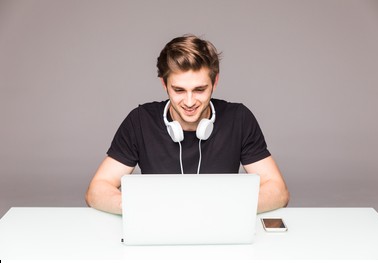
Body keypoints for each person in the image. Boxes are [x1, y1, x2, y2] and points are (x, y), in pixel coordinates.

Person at [85, 35, 289, 214]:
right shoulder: (139, 121)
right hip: (159, 226)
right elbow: (97, 190)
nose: (190, 102)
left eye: (199, 89)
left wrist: (227, 208)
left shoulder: (239, 119)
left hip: (219, 227)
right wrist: (144, 209)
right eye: (179, 90)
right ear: (164, 85)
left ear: (215, 83)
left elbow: (278, 191)